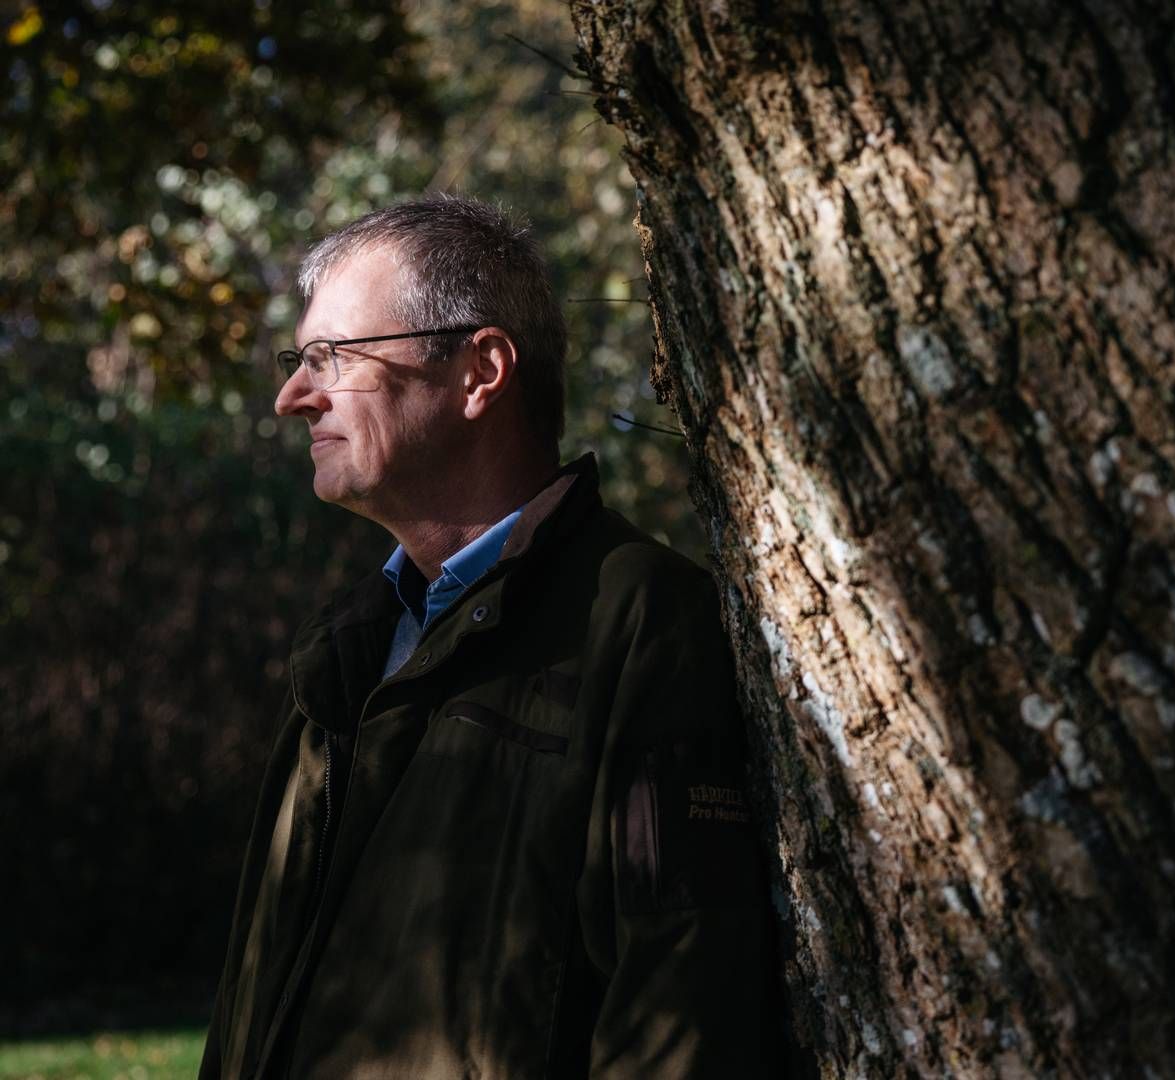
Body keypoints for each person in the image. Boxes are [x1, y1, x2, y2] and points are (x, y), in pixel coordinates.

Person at [200, 194, 783, 1078]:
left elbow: (684, 1021)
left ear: (481, 372)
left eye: (331, 358)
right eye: (298, 360)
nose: (292, 397)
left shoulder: (641, 623)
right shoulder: (344, 648)